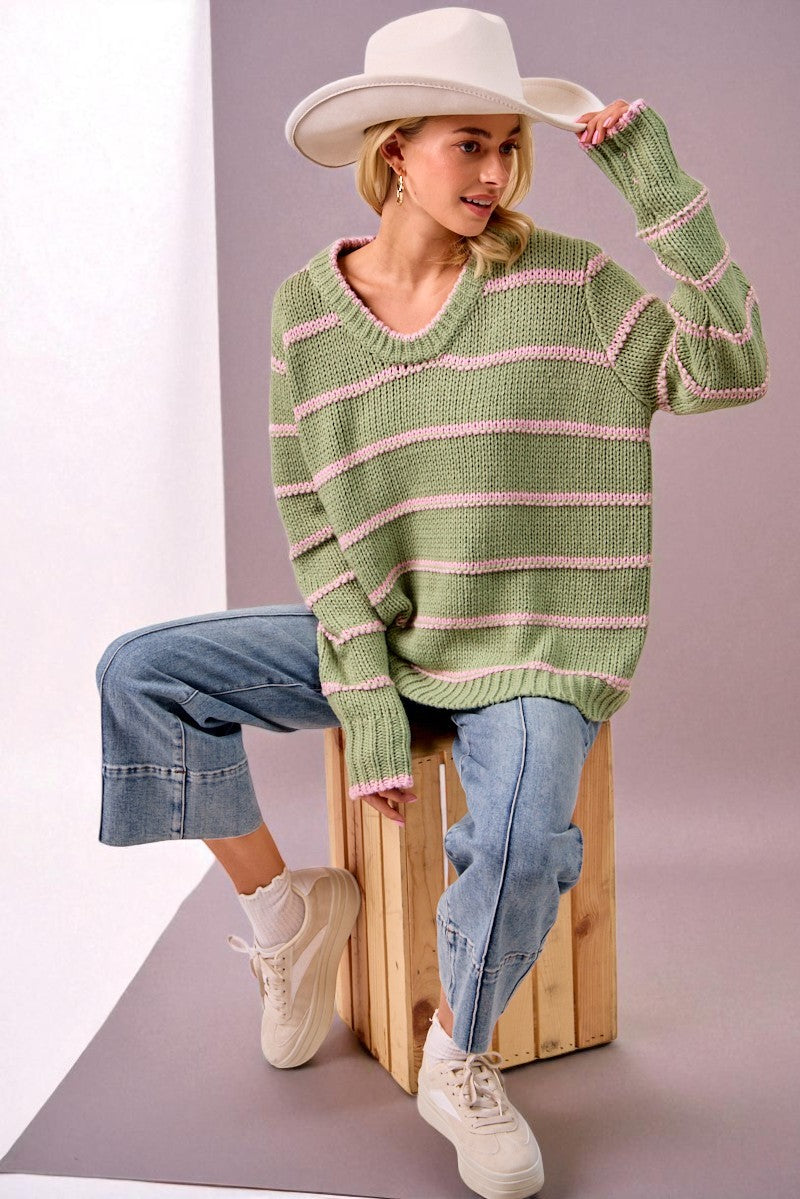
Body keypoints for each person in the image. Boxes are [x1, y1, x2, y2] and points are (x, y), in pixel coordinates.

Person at [94, 8, 769, 1199]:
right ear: (393, 150)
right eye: (471, 143)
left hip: (531, 646)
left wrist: (649, 176)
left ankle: (457, 1054)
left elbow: (729, 360)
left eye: (510, 146)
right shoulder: (308, 315)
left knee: (517, 834)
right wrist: (359, 690)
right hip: (388, 636)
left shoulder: (565, 282)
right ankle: (285, 908)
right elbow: (312, 521)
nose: (498, 171)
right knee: (141, 670)